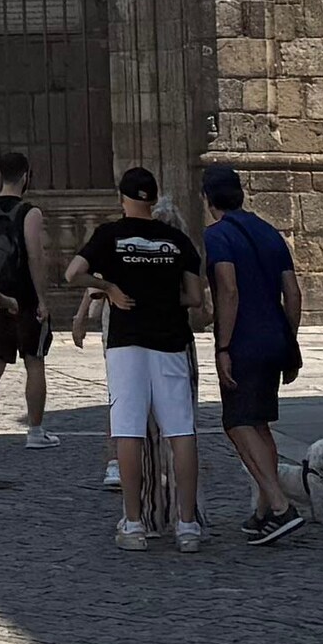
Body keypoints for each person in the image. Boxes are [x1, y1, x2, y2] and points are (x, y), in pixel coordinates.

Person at [71, 166, 211, 550]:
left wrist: (109, 287)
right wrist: (161, 298)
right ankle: (187, 526)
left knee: (129, 430)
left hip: (127, 342)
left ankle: (133, 523)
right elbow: (194, 298)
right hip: (170, 341)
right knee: (181, 431)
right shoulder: (177, 239)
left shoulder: (110, 235)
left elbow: (73, 273)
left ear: (123, 198)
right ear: (153, 199)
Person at [199, 166, 307, 544]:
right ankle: (263, 511)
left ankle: (280, 505)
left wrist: (223, 347)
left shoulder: (217, 235)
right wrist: (289, 339)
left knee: (238, 423)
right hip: (275, 337)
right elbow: (293, 293)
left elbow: (228, 289)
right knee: (259, 423)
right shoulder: (269, 231)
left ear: (208, 199)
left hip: (243, 341)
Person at [0, 153, 54, 447]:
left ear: (0, 174)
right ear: (26, 176)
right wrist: (42, 299)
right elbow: (35, 257)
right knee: (34, 361)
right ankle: (35, 432)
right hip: (25, 298)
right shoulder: (30, 213)